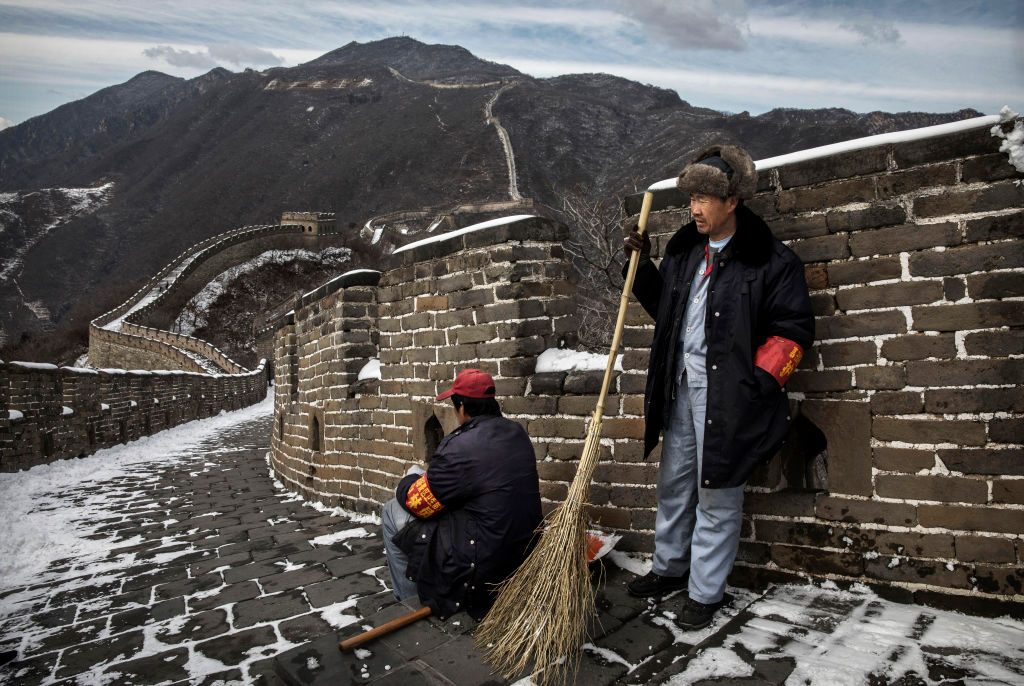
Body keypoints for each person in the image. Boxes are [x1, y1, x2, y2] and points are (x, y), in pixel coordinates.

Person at [622, 145, 814, 629]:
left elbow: (792, 331)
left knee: (718, 493)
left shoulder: (770, 260)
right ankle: (669, 569)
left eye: (706, 197)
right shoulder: (685, 250)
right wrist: (642, 268)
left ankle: (705, 592)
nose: (695, 207)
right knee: (674, 483)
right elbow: (667, 311)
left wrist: (756, 385)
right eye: (692, 197)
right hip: (681, 388)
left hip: (730, 397)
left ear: (733, 200)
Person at [380, 368, 542, 620]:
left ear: (462, 407)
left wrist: (410, 479)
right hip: (521, 551)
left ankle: (409, 601)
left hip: (482, 563)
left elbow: (418, 504)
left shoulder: (459, 446)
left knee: (391, 511)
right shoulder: (517, 432)